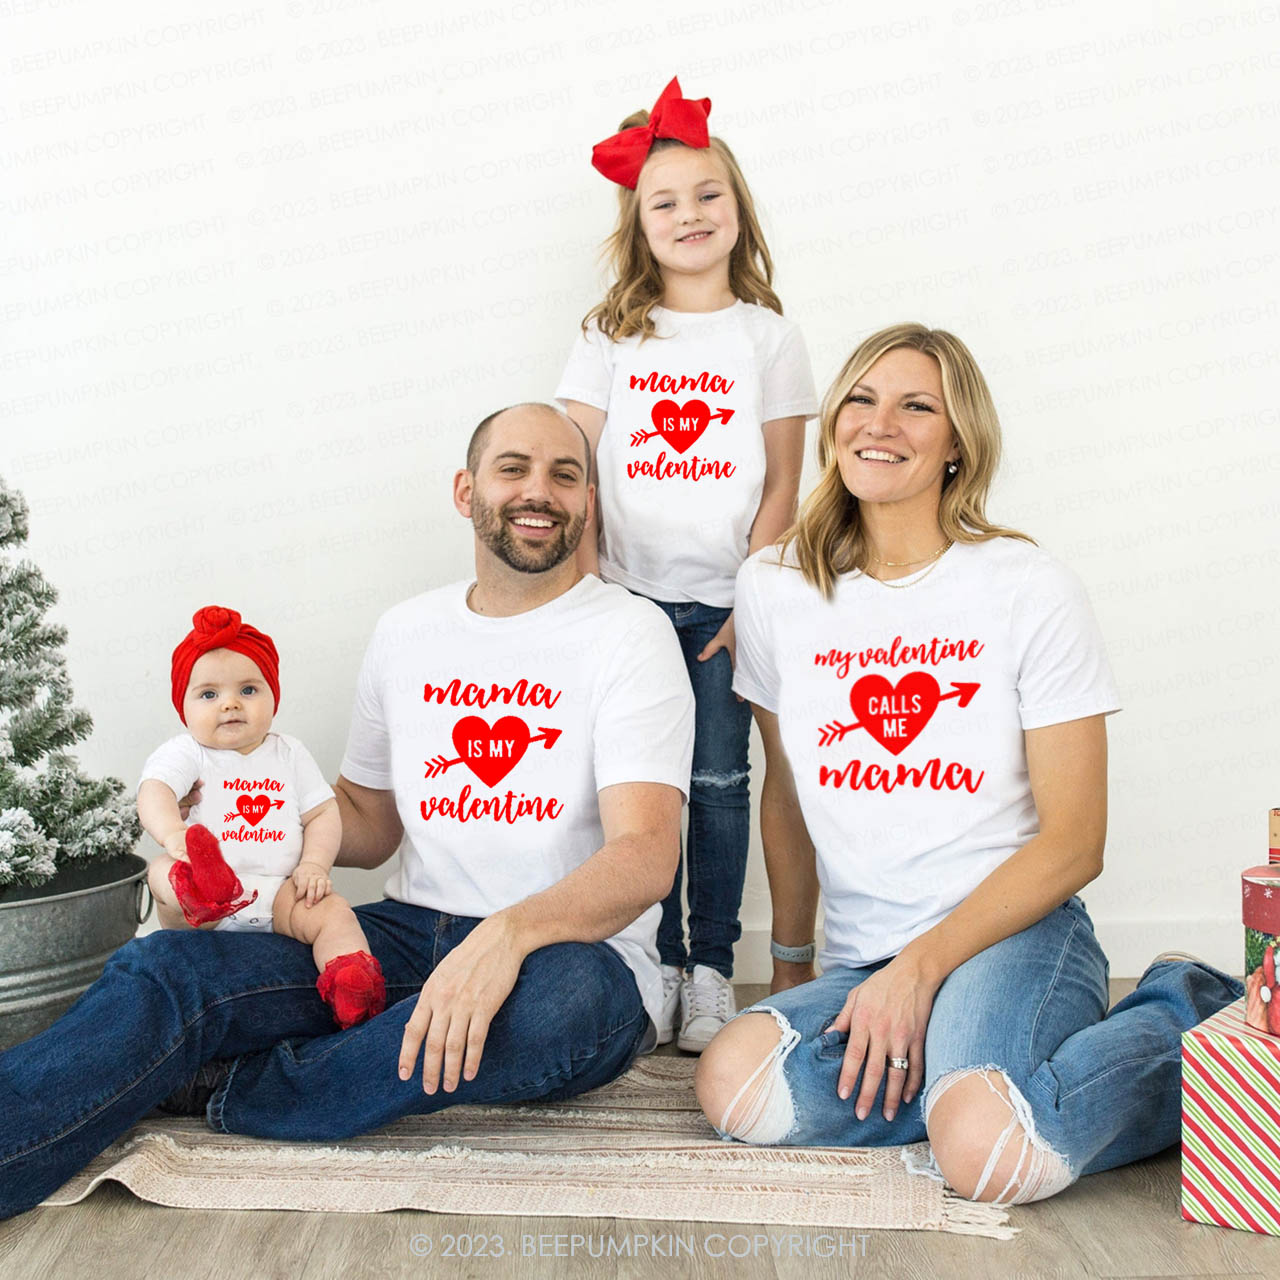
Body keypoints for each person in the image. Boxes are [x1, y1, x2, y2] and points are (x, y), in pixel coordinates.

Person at [0, 403, 695, 1222]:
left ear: (587, 500)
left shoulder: (629, 632)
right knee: (166, 970)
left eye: (564, 474)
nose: (538, 490)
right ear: (466, 489)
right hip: (408, 931)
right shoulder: (408, 631)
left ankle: (233, 1086)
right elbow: (365, 818)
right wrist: (240, 818)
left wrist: (508, 936)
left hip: (570, 953)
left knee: (562, 1006)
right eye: (514, 468)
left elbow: (647, 856)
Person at [692, 323, 1243, 1205]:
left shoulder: (1027, 586)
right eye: (863, 401)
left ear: (959, 444)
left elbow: (1075, 842)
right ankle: (981, 1078)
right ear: (834, 421)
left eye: (918, 407)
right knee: (736, 1083)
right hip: (867, 960)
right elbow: (788, 798)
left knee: (988, 1161)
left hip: (1014, 933)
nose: (882, 425)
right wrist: (796, 971)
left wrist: (923, 968)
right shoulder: (777, 585)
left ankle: (1189, 1013)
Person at [556, 76, 818, 1052]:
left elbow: (785, 486)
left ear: (737, 205)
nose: (688, 214)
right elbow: (576, 466)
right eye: (663, 202)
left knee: (717, 780)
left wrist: (753, 597)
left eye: (707, 194)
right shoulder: (607, 336)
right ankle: (652, 959)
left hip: (721, 602)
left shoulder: (768, 338)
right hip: (624, 601)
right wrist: (587, 592)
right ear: (638, 223)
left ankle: (711, 966)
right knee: (641, 787)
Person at [139, 605, 385, 1029]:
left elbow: (323, 812)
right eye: (209, 694)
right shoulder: (189, 752)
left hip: (280, 894)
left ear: (273, 696)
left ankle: (350, 981)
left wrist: (313, 865)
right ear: (184, 706)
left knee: (335, 913)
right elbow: (154, 791)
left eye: (248, 690)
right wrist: (173, 832)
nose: (231, 704)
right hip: (205, 911)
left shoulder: (288, 753)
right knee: (163, 872)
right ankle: (199, 886)